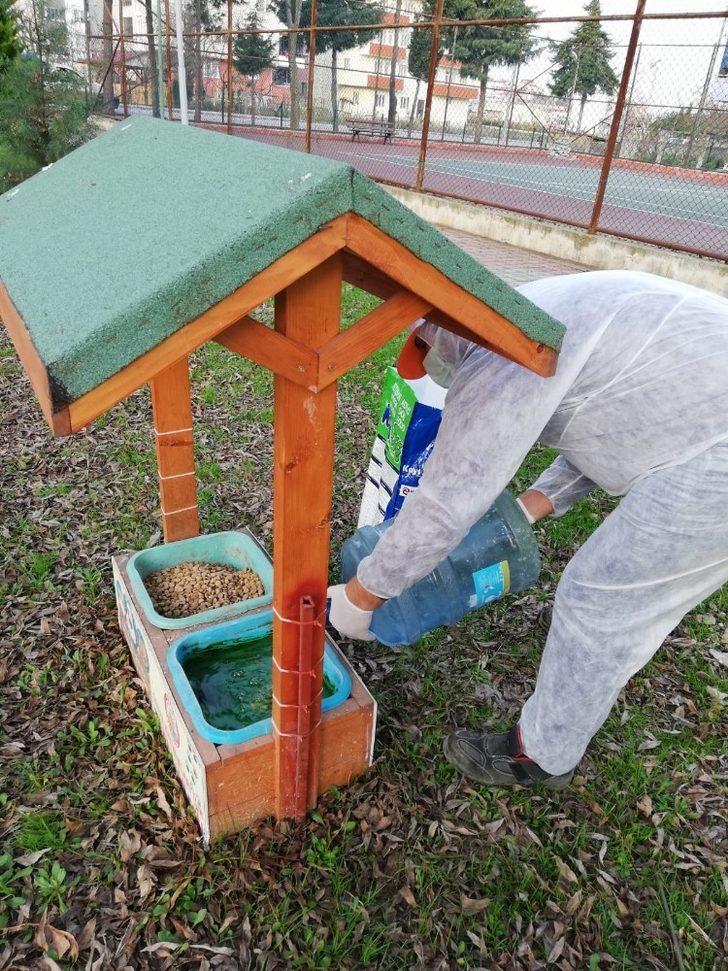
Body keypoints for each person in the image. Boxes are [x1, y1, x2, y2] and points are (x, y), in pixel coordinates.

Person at [327, 270, 728, 790]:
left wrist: (364, 594)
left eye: (429, 357)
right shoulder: (525, 311)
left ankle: (540, 755)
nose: (438, 371)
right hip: (706, 406)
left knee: (599, 602)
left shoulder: (499, 356)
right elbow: (616, 419)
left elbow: (448, 502)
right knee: (602, 603)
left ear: (438, 338)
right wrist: (533, 505)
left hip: (716, 454)